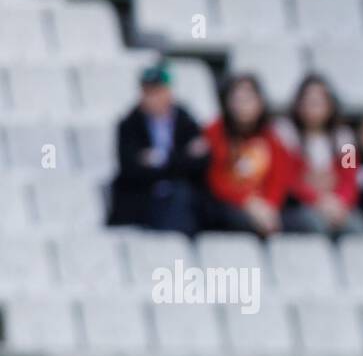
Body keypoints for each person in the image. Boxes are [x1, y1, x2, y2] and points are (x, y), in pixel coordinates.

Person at [106, 63, 208, 235]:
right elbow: (131, 168)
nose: (153, 98)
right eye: (148, 92)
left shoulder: (186, 121)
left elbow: (200, 162)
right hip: (142, 199)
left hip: (179, 196)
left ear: (169, 92)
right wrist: (179, 160)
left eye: (158, 91)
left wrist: (160, 160)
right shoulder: (129, 124)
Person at [276, 75, 363, 236]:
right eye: (308, 101)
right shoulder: (285, 135)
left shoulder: (345, 140)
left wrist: (339, 202)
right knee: (316, 226)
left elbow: (349, 178)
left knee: (362, 230)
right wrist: (318, 200)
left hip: (337, 206)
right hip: (299, 206)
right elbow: (288, 179)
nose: (313, 107)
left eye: (319, 102)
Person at [202, 73, 292, 236]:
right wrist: (247, 202)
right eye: (237, 99)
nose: (243, 105)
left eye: (249, 99)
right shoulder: (213, 132)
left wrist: (269, 205)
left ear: (260, 102)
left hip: (265, 208)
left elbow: (280, 177)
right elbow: (215, 178)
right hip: (226, 206)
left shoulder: (272, 138)